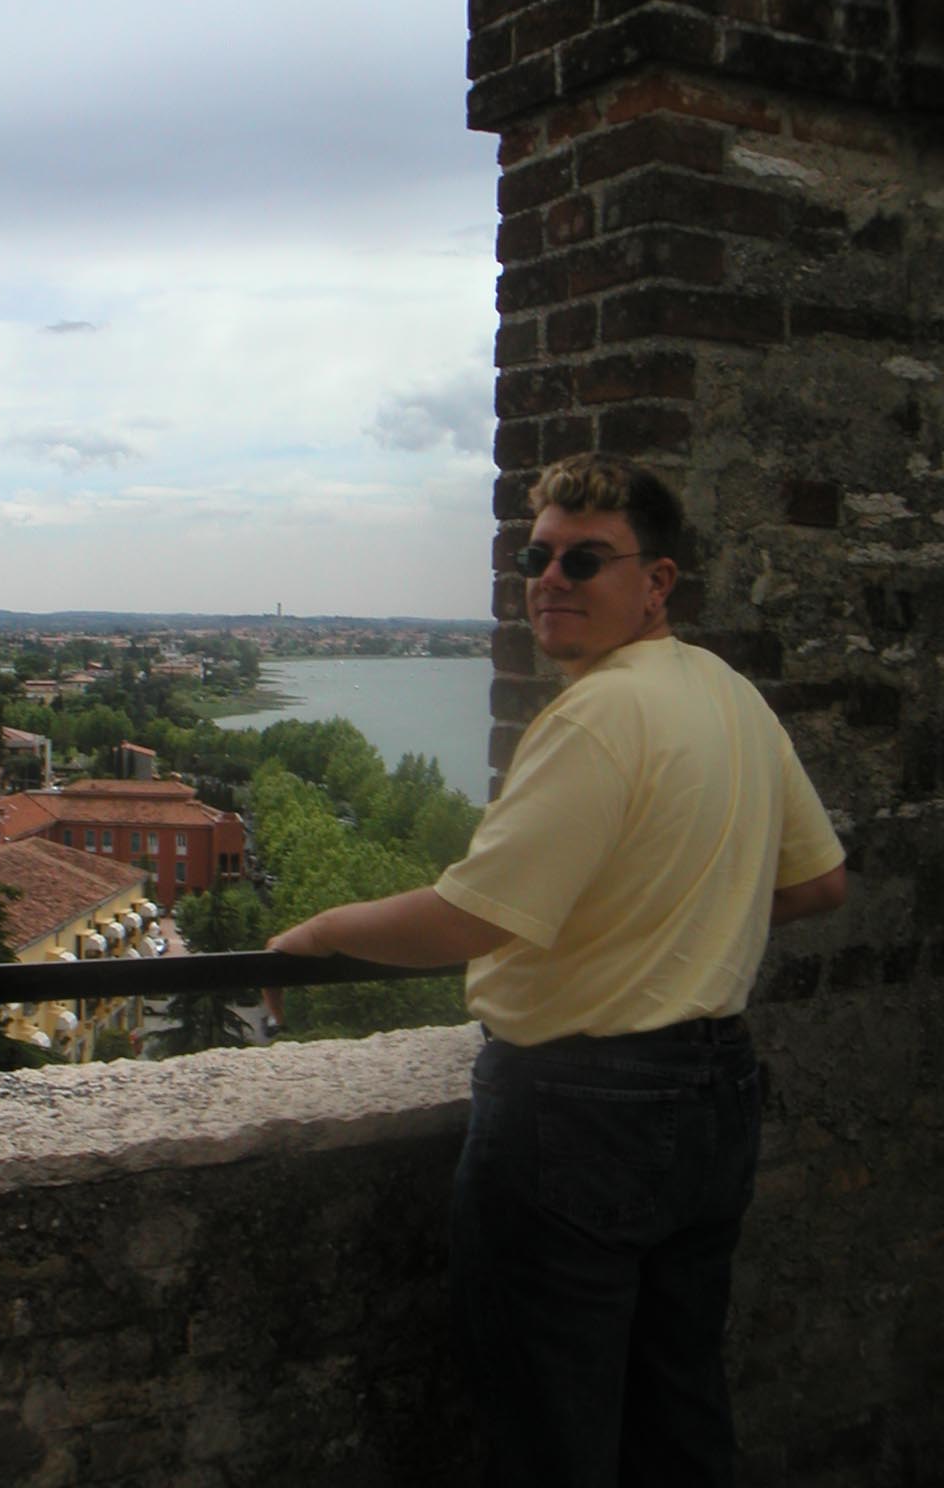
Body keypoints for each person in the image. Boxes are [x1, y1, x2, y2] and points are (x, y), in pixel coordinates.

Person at [267, 452, 846, 1487]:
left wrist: (320, 931)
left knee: (553, 1435)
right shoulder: (728, 694)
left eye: (585, 559)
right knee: (679, 1415)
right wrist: (672, 910)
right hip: (715, 1090)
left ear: (656, 582)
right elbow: (816, 883)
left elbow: (470, 918)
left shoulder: (596, 716)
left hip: (579, 1110)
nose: (550, 579)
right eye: (536, 557)